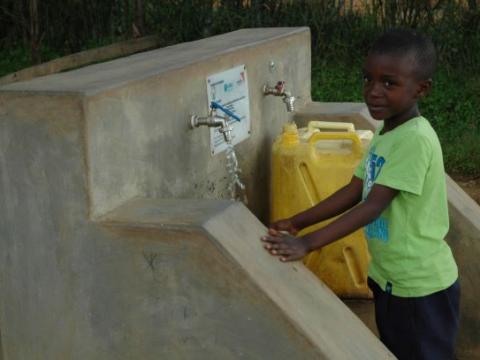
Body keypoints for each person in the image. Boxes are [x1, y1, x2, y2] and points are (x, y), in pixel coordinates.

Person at [261, 29, 460, 360]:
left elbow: (372, 206)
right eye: (368, 79)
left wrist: (308, 243)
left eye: (388, 83)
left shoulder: (415, 140)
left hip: (420, 288)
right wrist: (298, 221)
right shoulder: (387, 130)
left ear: (421, 89)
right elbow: (355, 189)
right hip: (388, 278)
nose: (373, 92)